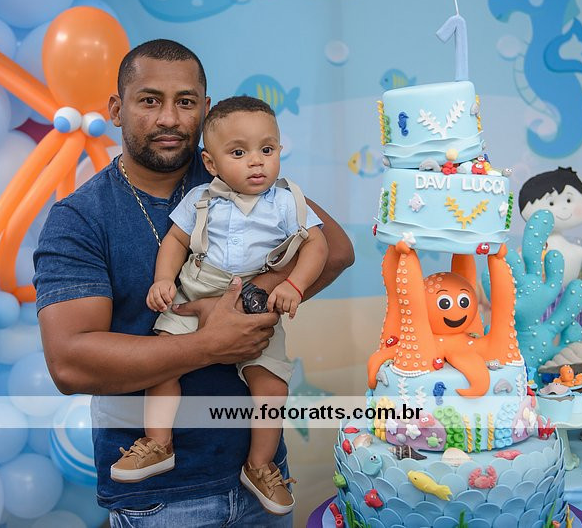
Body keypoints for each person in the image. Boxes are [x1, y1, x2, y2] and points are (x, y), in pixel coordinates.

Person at [33, 39, 354, 527]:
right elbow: (70, 362)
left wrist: (247, 297)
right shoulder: (79, 218)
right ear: (116, 110)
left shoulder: (241, 175)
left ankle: (260, 462)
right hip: (160, 500)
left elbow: (336, 250)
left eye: (184, 102)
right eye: (149, 100)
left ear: (205, 110)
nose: (168, 118)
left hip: (260, 483)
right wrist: (210, 342)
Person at [109, 95, 328, 517]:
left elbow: (317, 245)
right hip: (195, 289)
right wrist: (163, 281)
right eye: (239, 153)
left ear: (280, 150)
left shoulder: (287, 201)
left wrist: (295, 285)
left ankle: (260, 465)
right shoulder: (201, 198)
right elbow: (176, 241)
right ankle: (158, 442)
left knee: (272, 386)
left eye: (267, 149)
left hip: (254, 300)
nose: (256, 162)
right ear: (210, 163)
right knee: (164, 361)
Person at [519, 166, 582, 326]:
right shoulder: (532, 248)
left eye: (568, 200)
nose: (564, 208)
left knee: (572, 331)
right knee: (539, 331)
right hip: (540, 297)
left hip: (571, 296)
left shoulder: (577, 250)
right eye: (551, 203)